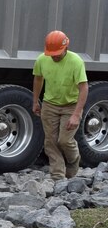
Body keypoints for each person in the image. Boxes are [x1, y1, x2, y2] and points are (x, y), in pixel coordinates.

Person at [32, 29, 88, 180]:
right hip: (50, 104)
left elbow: (83, 88)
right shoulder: (42, 60)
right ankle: (57, 176)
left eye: (58, 52)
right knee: (50, 141)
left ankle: (74, 159)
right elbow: (38, 79)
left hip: (71, 105)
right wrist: (35, 101)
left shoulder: (76, 62)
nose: (54, 56)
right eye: (52, 53)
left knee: (64, 140)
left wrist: (76, 114)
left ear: (66, 48)